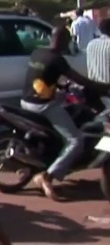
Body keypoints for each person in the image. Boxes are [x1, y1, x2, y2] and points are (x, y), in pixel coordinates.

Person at [21, 26, 110, 200]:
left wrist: (61, 87)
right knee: (76, 140)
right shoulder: (57, 59)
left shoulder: (38, 53)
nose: (69, 43)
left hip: (26, 101)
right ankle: (48, 176)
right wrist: (104, 87)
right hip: (43, 105)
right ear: (62, 40)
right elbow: (80, 79)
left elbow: (43, 77)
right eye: (68, 40)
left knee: (68, 105)